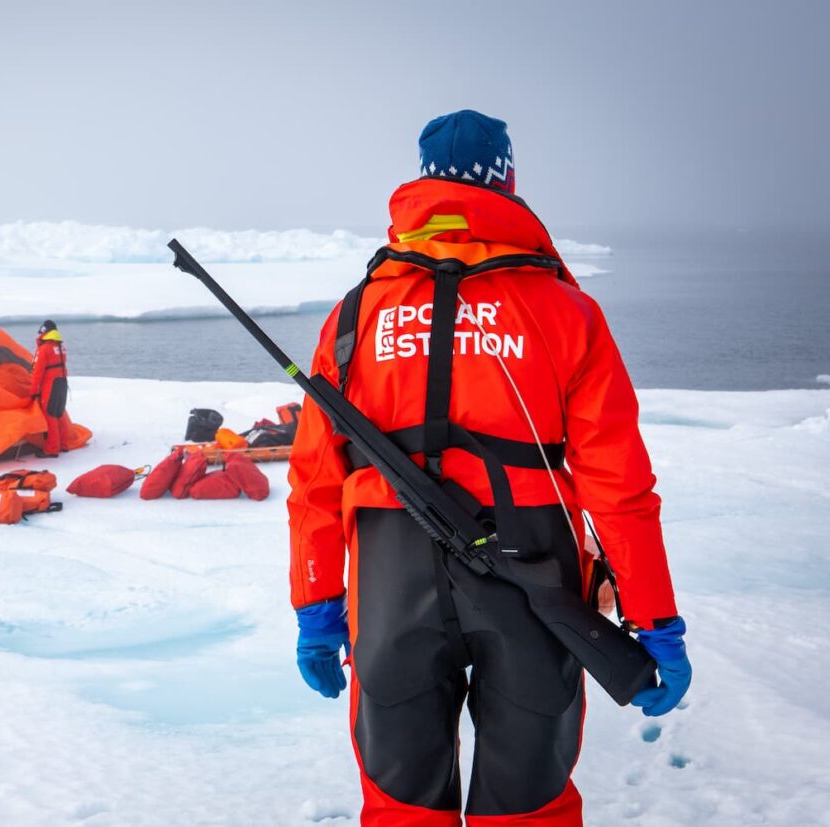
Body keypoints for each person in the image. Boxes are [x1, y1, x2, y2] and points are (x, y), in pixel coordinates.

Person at [286, 110, 691, 826]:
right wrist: (653, 614)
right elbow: (618, 484)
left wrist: (317, 607)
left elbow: (315, 478)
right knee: (529, 806)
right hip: (532, 568)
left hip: (389, 574)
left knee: (401, 803)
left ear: (421, 180)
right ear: (506, 179)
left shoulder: (357, 314)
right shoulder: (567, 310)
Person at [30, 319, 73, 458]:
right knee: (59, 413)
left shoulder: (44, 349)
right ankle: (64, 444)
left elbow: (37, 372)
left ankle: (52, 449)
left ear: (44, 331)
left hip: (50, 384)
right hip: (62, 383)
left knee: (50, 415)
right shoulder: (60, 347)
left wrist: (34, 391)